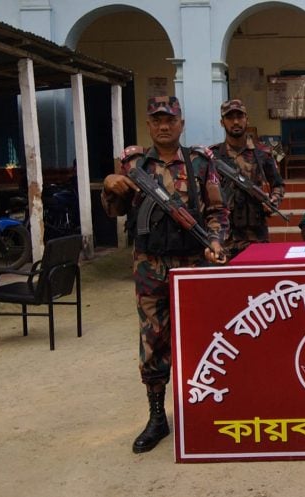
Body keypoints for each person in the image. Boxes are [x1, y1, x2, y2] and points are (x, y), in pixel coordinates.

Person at [101, 96, 228, 454]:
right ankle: (157, 417)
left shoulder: (200, 162)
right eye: (157, 120)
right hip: (150, 266)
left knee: (201, 340)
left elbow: (217, 210)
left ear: (181, 124)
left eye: (170, 120)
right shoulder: (134, 164)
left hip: (192, 265)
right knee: (153, 341)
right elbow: (115, 210)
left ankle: (201, 412)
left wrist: (214, 241)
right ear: (148, 125)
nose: (163, 126)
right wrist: (110, 186)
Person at [209, 99, 285, 259]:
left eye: (240, 117)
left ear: (247, 120)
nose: (236, 122)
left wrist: (273, 201)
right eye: (230, 118)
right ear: (222, 122)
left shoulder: (262, 153)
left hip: (256, 235)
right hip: (224, 238)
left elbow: (278, 185)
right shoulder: (212, 156)